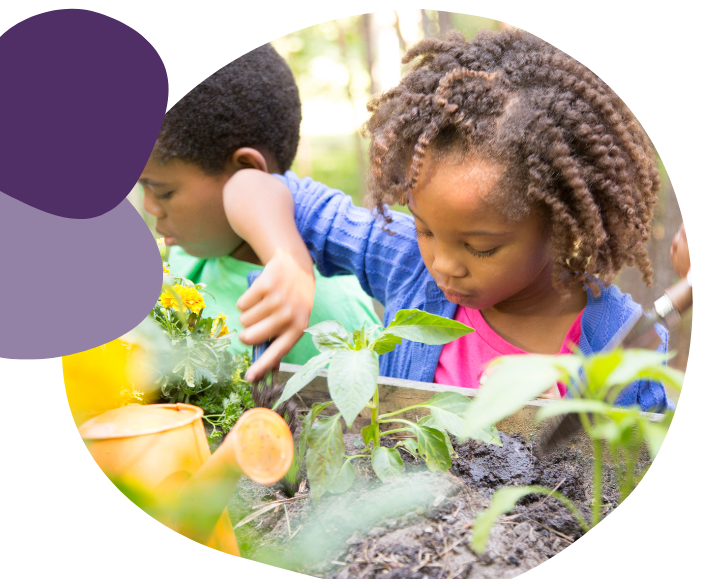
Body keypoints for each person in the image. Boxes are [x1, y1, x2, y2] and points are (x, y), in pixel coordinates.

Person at [223, 29, 674, 412]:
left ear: (563, 224)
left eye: (480, 246)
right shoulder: (406, 264)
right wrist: (287, 259)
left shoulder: (626, 344)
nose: (443, 264)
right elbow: (254, 186)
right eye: (424, 228)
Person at [138, 44, 380, 369]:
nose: (150, 207)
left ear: (246, 169)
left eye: (163, 191)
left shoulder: (330, 319)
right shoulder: (187, 263)